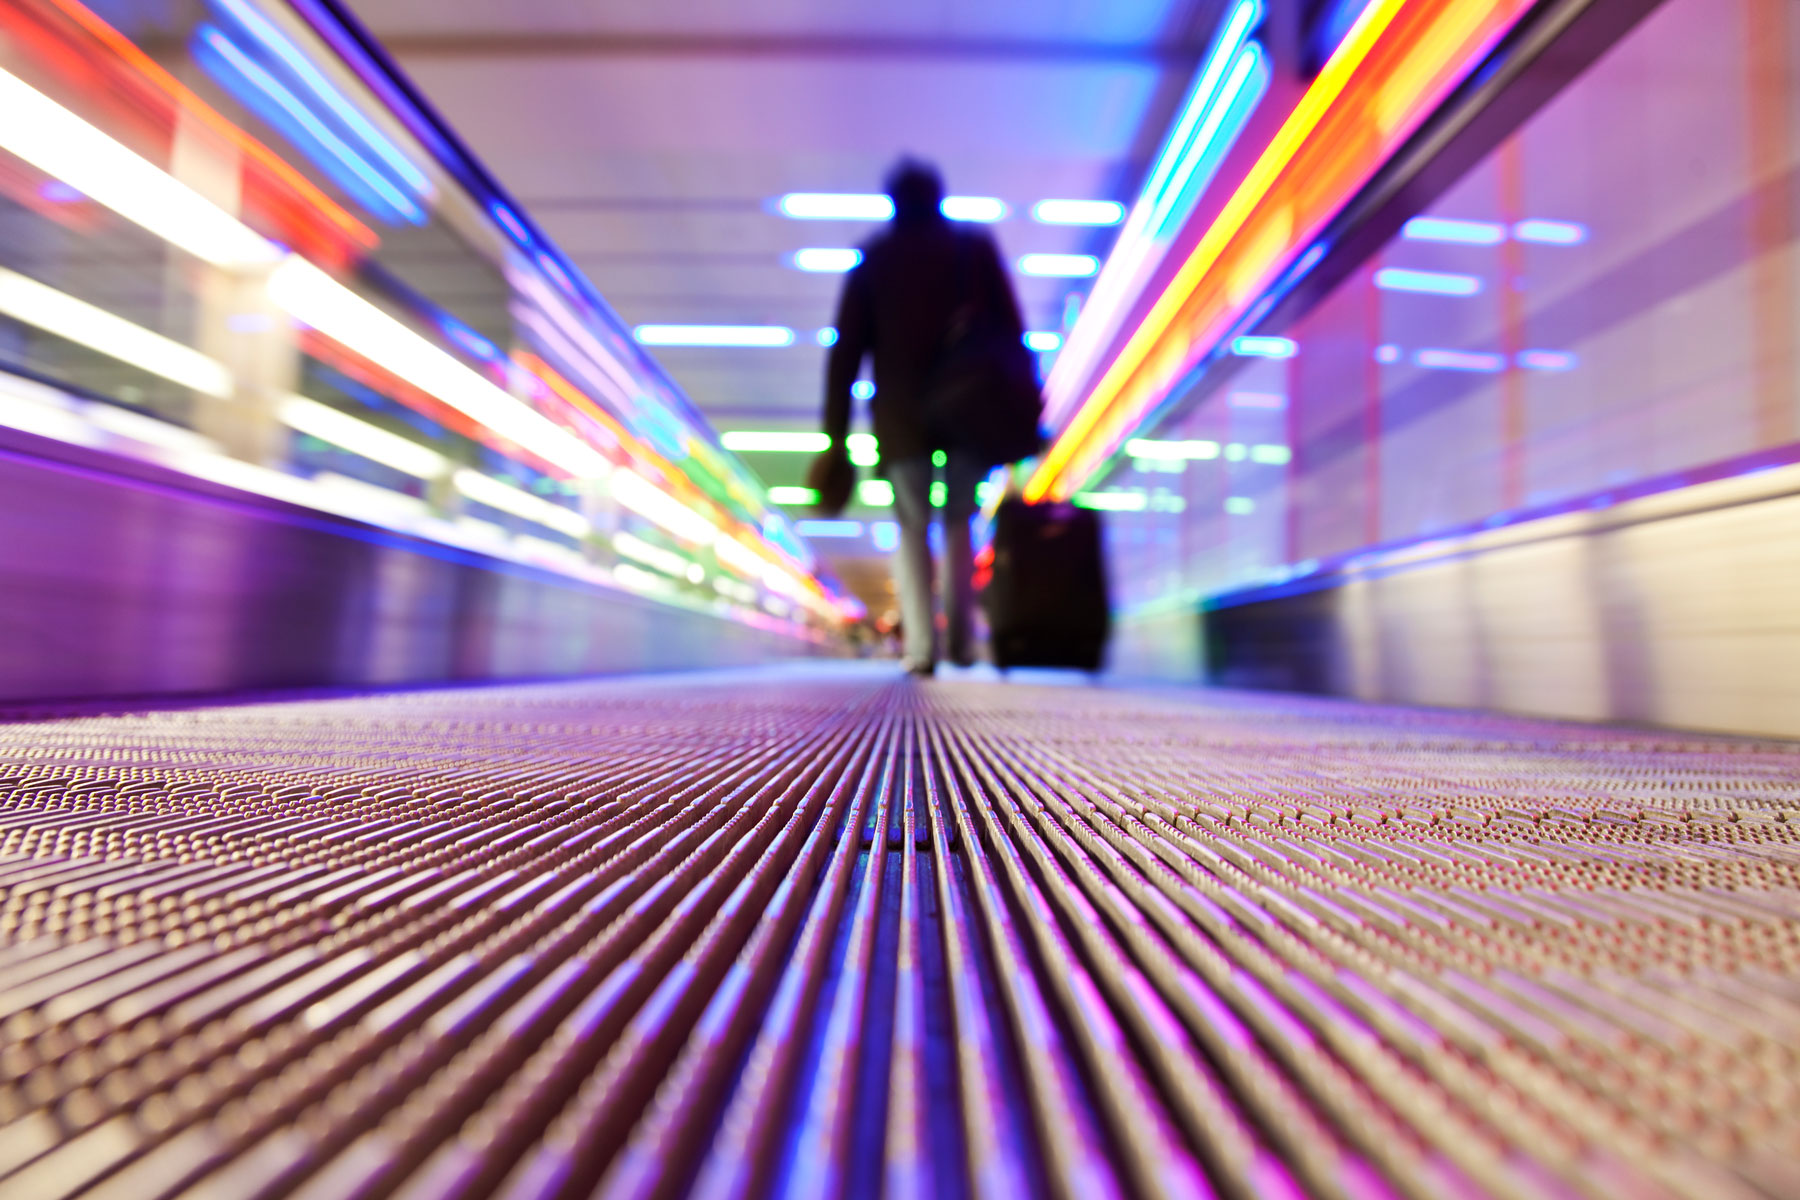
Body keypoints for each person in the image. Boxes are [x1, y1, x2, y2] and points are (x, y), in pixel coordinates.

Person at [820, 159, 1027, 677]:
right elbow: (1011, 332)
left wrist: (836, 435)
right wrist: (1023, 408)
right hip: (969, 409)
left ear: (893, 203)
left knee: (912, 527)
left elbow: (845, 353)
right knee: (959, 520)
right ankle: (960, 642)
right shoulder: (973, 250)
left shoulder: (876, 258)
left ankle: (921, 649)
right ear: (940, 198)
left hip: (901, 416)